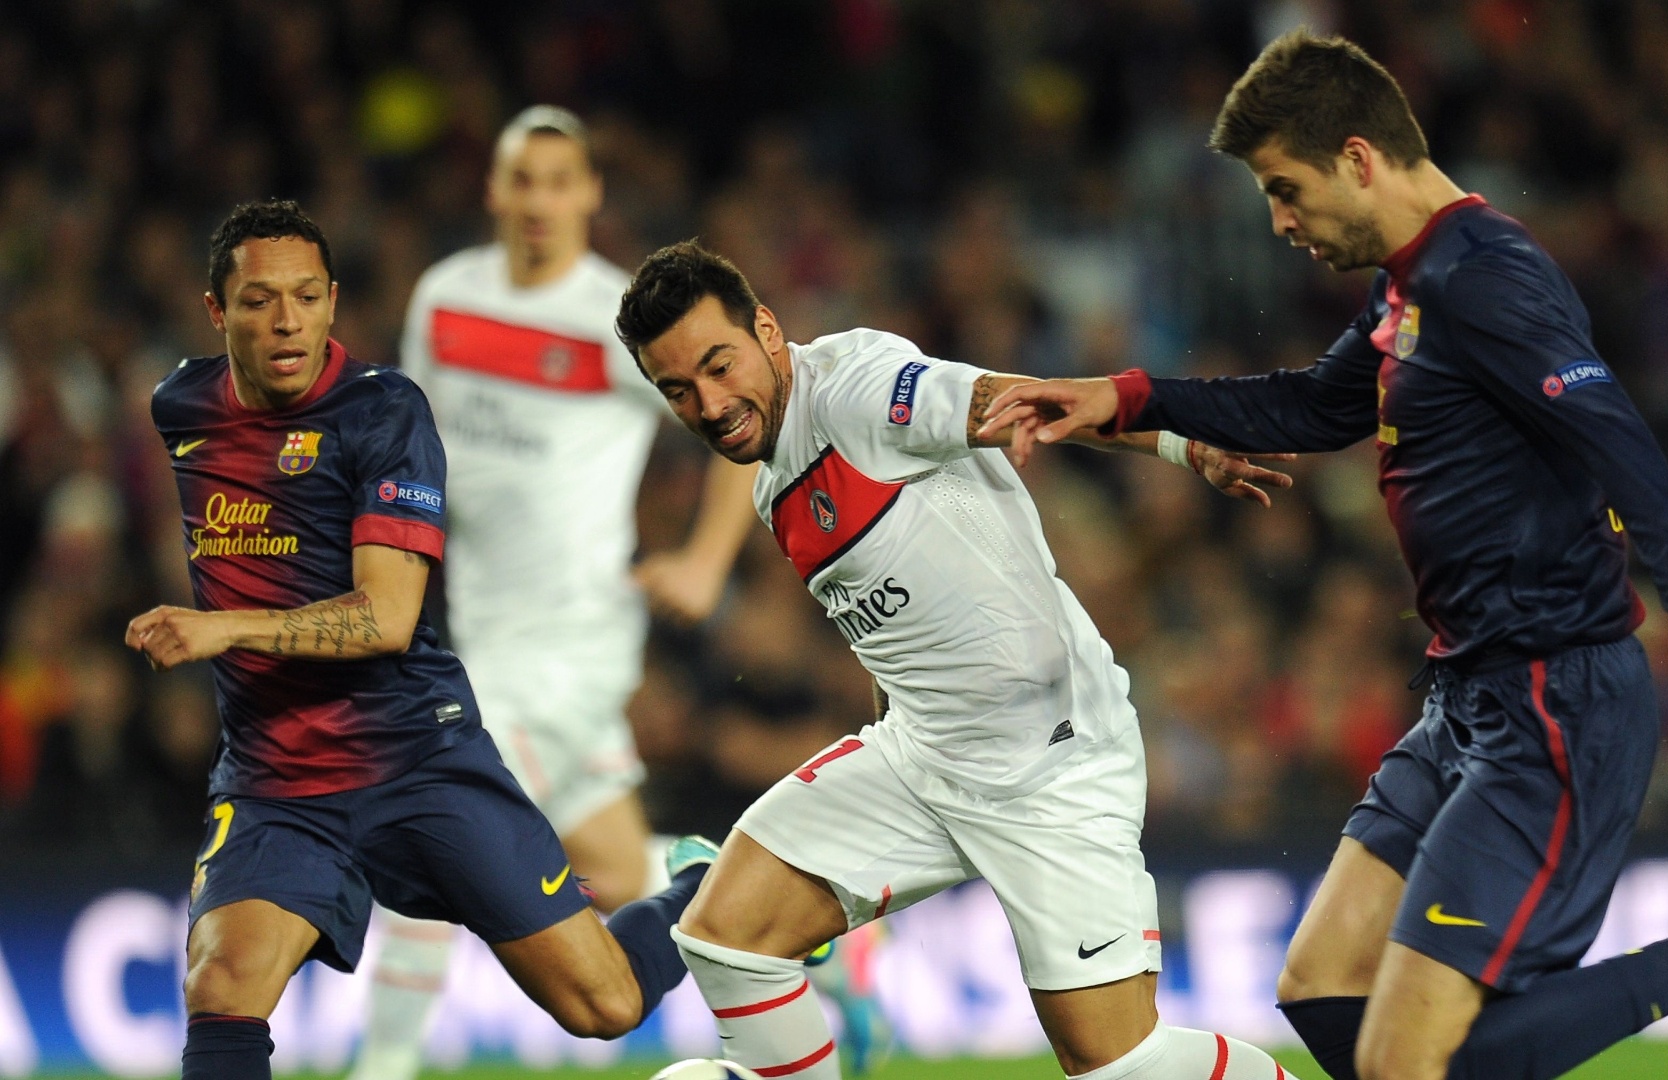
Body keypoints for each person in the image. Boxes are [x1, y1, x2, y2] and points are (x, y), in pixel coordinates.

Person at [977, 31, 1668, 1080]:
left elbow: (1612, 429)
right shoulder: (1413, 287)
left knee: (1409, 1068)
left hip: (1555, 703)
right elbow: (1317, 406)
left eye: (1286, 189)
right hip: (1468, 697)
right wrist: (1127, 400)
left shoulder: (1487, 279)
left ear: (1358, 158)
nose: (1278, 223)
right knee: (1318, 987)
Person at [614, 240, 1298, 1080]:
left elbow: (1024, 403)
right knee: (723, 940)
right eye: (677, 390)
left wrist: (1178, 447)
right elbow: (899, 626)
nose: (711, 404)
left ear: (766, 328)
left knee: (1117, 1063)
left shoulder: (859, 389)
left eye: (719, 366)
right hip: (923, 755)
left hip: (1050, 764)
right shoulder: (770, 480)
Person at [127, 199, 709, 1080]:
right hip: (277, 781)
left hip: (417, 760)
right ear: (217, 311)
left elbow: (386, 617)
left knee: (607, 1005)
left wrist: (227, 628)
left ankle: (704, 890)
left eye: (306, 296)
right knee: (222, 978)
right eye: (258, 300)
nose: (287, 321)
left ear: (332, 302)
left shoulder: (385, 415)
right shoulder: (183, 407)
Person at [350, 105, 760, 1080]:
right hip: (475, 636)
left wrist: (704, 562)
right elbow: (415, 447)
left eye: (558, 180)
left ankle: (381, 1068)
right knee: (620, 873)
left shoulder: (616, 320)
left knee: (435, 819)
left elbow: (740, 411)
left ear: (590, 194)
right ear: (493, 191)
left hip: (574, 647)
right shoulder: (446, 296)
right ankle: (774, 904)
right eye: (521, 180)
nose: (539, 200)